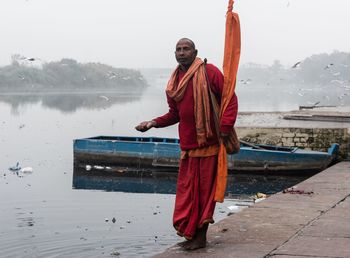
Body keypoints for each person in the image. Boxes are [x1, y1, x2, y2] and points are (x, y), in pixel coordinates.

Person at [135, 38, 238, 250]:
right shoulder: (174, 82)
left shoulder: (210, 73)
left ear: (195, 52)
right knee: (188, 196)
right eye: (178, 49)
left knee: (204, 195)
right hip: (188, 148)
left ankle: (200, 238)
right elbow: (175, 114)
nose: (182, 52)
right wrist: (153, 123)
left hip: (210, 145)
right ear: (175, 53)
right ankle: (191, 234)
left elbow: (230, 99)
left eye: (186, 49)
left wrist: (225, 129)